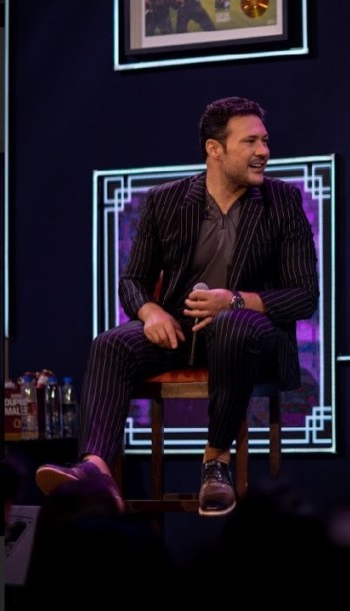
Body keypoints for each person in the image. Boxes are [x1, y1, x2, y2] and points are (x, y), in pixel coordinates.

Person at [35, 96, 320, 517]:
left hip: (253, 340)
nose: (264, 151)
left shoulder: (283, 202)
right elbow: (132, 280)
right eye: (250, 142)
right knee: (110, 344)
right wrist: (150, 312)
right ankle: (96, 469)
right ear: (214, 149)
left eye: (265, 141)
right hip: (183, 334)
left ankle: (215, 461)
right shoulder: (165, 201)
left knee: (232, 326)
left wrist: (234, 301)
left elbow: (304, 295)